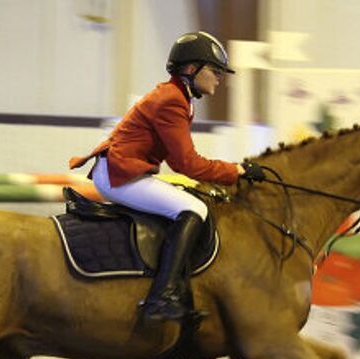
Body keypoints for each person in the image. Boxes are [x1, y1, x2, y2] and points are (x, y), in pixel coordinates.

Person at [69, 31, 266, 321]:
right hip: (119, 175)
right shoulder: (172, 100)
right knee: (194, 208)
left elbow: (181, 161)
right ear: (190, 69)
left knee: (191, 199)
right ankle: (162, 296)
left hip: (124, 171)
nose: (219, 78)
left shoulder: (179, 97)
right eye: (214, 71)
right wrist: (235, 171)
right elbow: (188, 164)